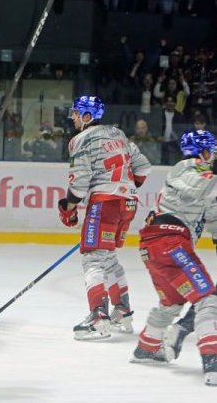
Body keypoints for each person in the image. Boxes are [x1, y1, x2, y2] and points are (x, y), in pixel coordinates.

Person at [57, 95, 151, 341]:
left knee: (93, 261)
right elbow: (143, 168)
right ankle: (122, 311)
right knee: (108, 258)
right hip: (128, 203)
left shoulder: (80, 139)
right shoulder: (118, 134)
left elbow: (78, 185)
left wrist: (68, 208)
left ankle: (99, 319)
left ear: (88, 116)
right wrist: (123, 188)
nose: (74, 118)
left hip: (105, 205)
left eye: (77, 113)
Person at [129, 130, 217, 386]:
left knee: (172, 302)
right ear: (204, 152)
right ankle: (212, 362)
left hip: (157, 248)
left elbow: (212, 213)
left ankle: (146, 348)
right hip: (170, 243)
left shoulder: (204, 177)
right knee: (206, 298)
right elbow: (196, 187)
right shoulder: (186, 168)